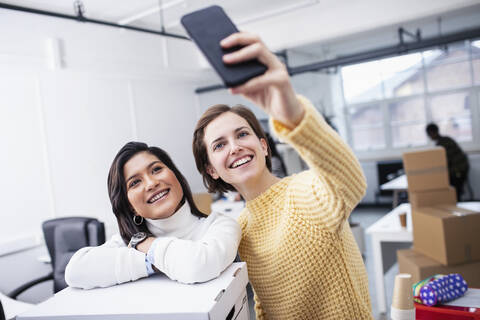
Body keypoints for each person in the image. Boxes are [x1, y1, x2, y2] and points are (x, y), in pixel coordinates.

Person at [192, 32, 372, 319]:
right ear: (212, 169)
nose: (235, 146)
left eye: (242, 134)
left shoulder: (303, 191)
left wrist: (294, 114)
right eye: (220, 144)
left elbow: (349, 181)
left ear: (263, 146)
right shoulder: (241, 229)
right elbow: (266, 303)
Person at [65, 142, 241, 289]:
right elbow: (75, 271)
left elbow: (198, 265)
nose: (151, 183)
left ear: (176, 177)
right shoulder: (126, 241)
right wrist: (153, 262)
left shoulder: (220, 225)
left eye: (156, 169)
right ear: (130, 207)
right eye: (135, 182)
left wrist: (144, 244)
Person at [426, 123, 469, 201]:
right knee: (455, 190)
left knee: (455, 192)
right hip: (459, 168)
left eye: (429, 134)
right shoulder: (444, 140)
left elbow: (445, 161)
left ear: (433, 132)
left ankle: (457, 207)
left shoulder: (442, 143)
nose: (429, 137)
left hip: (459, 169)